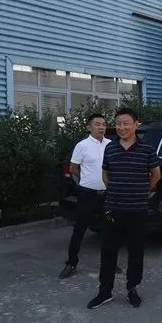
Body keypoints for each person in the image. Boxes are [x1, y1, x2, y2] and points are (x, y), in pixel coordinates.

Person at [87, 108, 160, 310]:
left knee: (136, 251)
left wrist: (141, 191)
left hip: (137, 210)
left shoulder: (147, 149)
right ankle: (105, 291)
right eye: (118, 123)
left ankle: (132, 288)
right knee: (108, 251)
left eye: (126, 123)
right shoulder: (110, 148)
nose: (121, 127)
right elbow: (105, 175)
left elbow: (156, 175)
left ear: (136, 124)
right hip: (113, 209)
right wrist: (115, 190)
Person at [59, 113, 110, 278]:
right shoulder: (82, 146)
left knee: (109, 230)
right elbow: (73, 168)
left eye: (103, 124)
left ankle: (109, 263)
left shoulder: (110, 145)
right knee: (80, 229)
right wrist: (86, 179)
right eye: (97, 124)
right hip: (87, 195)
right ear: (89, 127)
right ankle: (71, 263)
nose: (101, 127)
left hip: (106, 195)